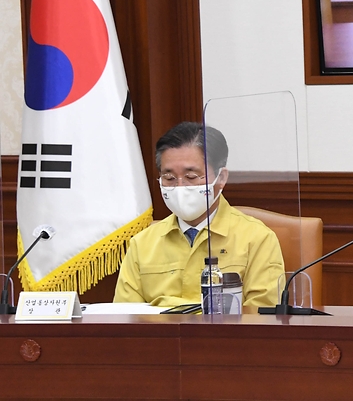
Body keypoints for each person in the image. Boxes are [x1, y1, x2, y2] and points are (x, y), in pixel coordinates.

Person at [114, 122, 285, 309]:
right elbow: (124, 318)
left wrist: (167, 309)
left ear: (221, 178)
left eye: (192, 177)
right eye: (169, 178)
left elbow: (263, 316)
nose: (180, 187)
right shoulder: (142, 243)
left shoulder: (257, 239)